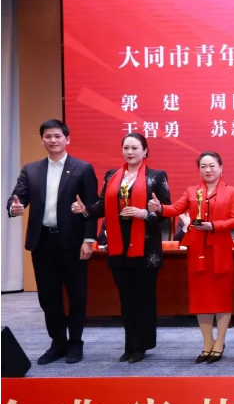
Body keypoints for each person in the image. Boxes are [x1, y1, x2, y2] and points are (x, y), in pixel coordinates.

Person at [72, 132, 170, 363]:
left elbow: (165, 211)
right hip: (118, 246)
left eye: (135, 148)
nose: (130, 152)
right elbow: (101, 205)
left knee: (143, 297)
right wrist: (85, 210)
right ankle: (130, 344)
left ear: (145, 151)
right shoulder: (112, 176)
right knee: (126, 298)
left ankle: (142, 345)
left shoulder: (156, 176)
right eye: (126, 148)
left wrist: (145, 213)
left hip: (146, 248)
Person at [6, 119, 98, 364]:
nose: (53, 140)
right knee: (48, 297)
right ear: (42, 140)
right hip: (43, 242)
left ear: (67, 139)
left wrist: (89, 239)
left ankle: (75, 342)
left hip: (73, 242)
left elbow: (92, 208)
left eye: (57, 136)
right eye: (48, 136)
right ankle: (58, 342)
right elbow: (17, 198)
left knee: (77, 294)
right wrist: (14, 208)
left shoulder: (83, 168)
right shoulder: (31, 170)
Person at [147, 152, 234, 363]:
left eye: (212, 166)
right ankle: (207, 343)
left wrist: (214, 226)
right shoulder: (191, 192)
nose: (208, 170)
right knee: (201, 297)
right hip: (197, 249)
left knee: (221, 296)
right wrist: (160, 208)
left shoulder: (231, 192)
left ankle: (220, 341)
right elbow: (175, 209)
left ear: (221, 168)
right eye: (203, 166)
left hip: (220, 249)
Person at [98, 215, 187, 246]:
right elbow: (100, 242)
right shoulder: (109, 220)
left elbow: (175, 242)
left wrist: (185, 228)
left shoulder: (144, 219)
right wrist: (110, 231)